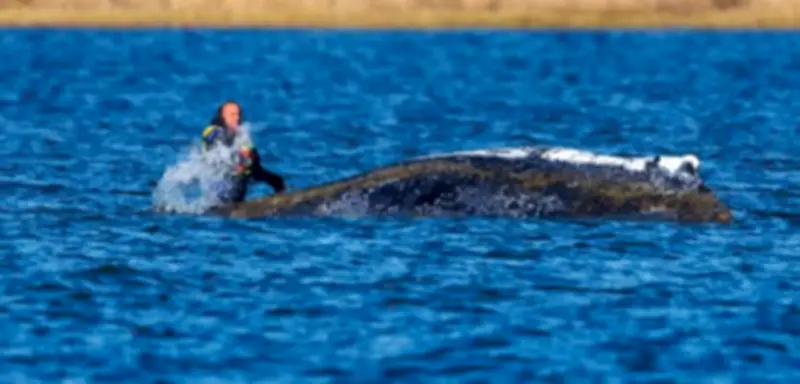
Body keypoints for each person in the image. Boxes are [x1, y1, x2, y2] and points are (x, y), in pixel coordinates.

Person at [200, 100, 285, 204]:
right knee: (235, 176)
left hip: (243, 173)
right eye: (232, 115)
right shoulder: (212, 131)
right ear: (222, 116)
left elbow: (251, 158)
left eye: (238, 114)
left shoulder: (241, 133)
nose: (237, 118)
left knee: (277, 181)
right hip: (221, 177)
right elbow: (217, 143)